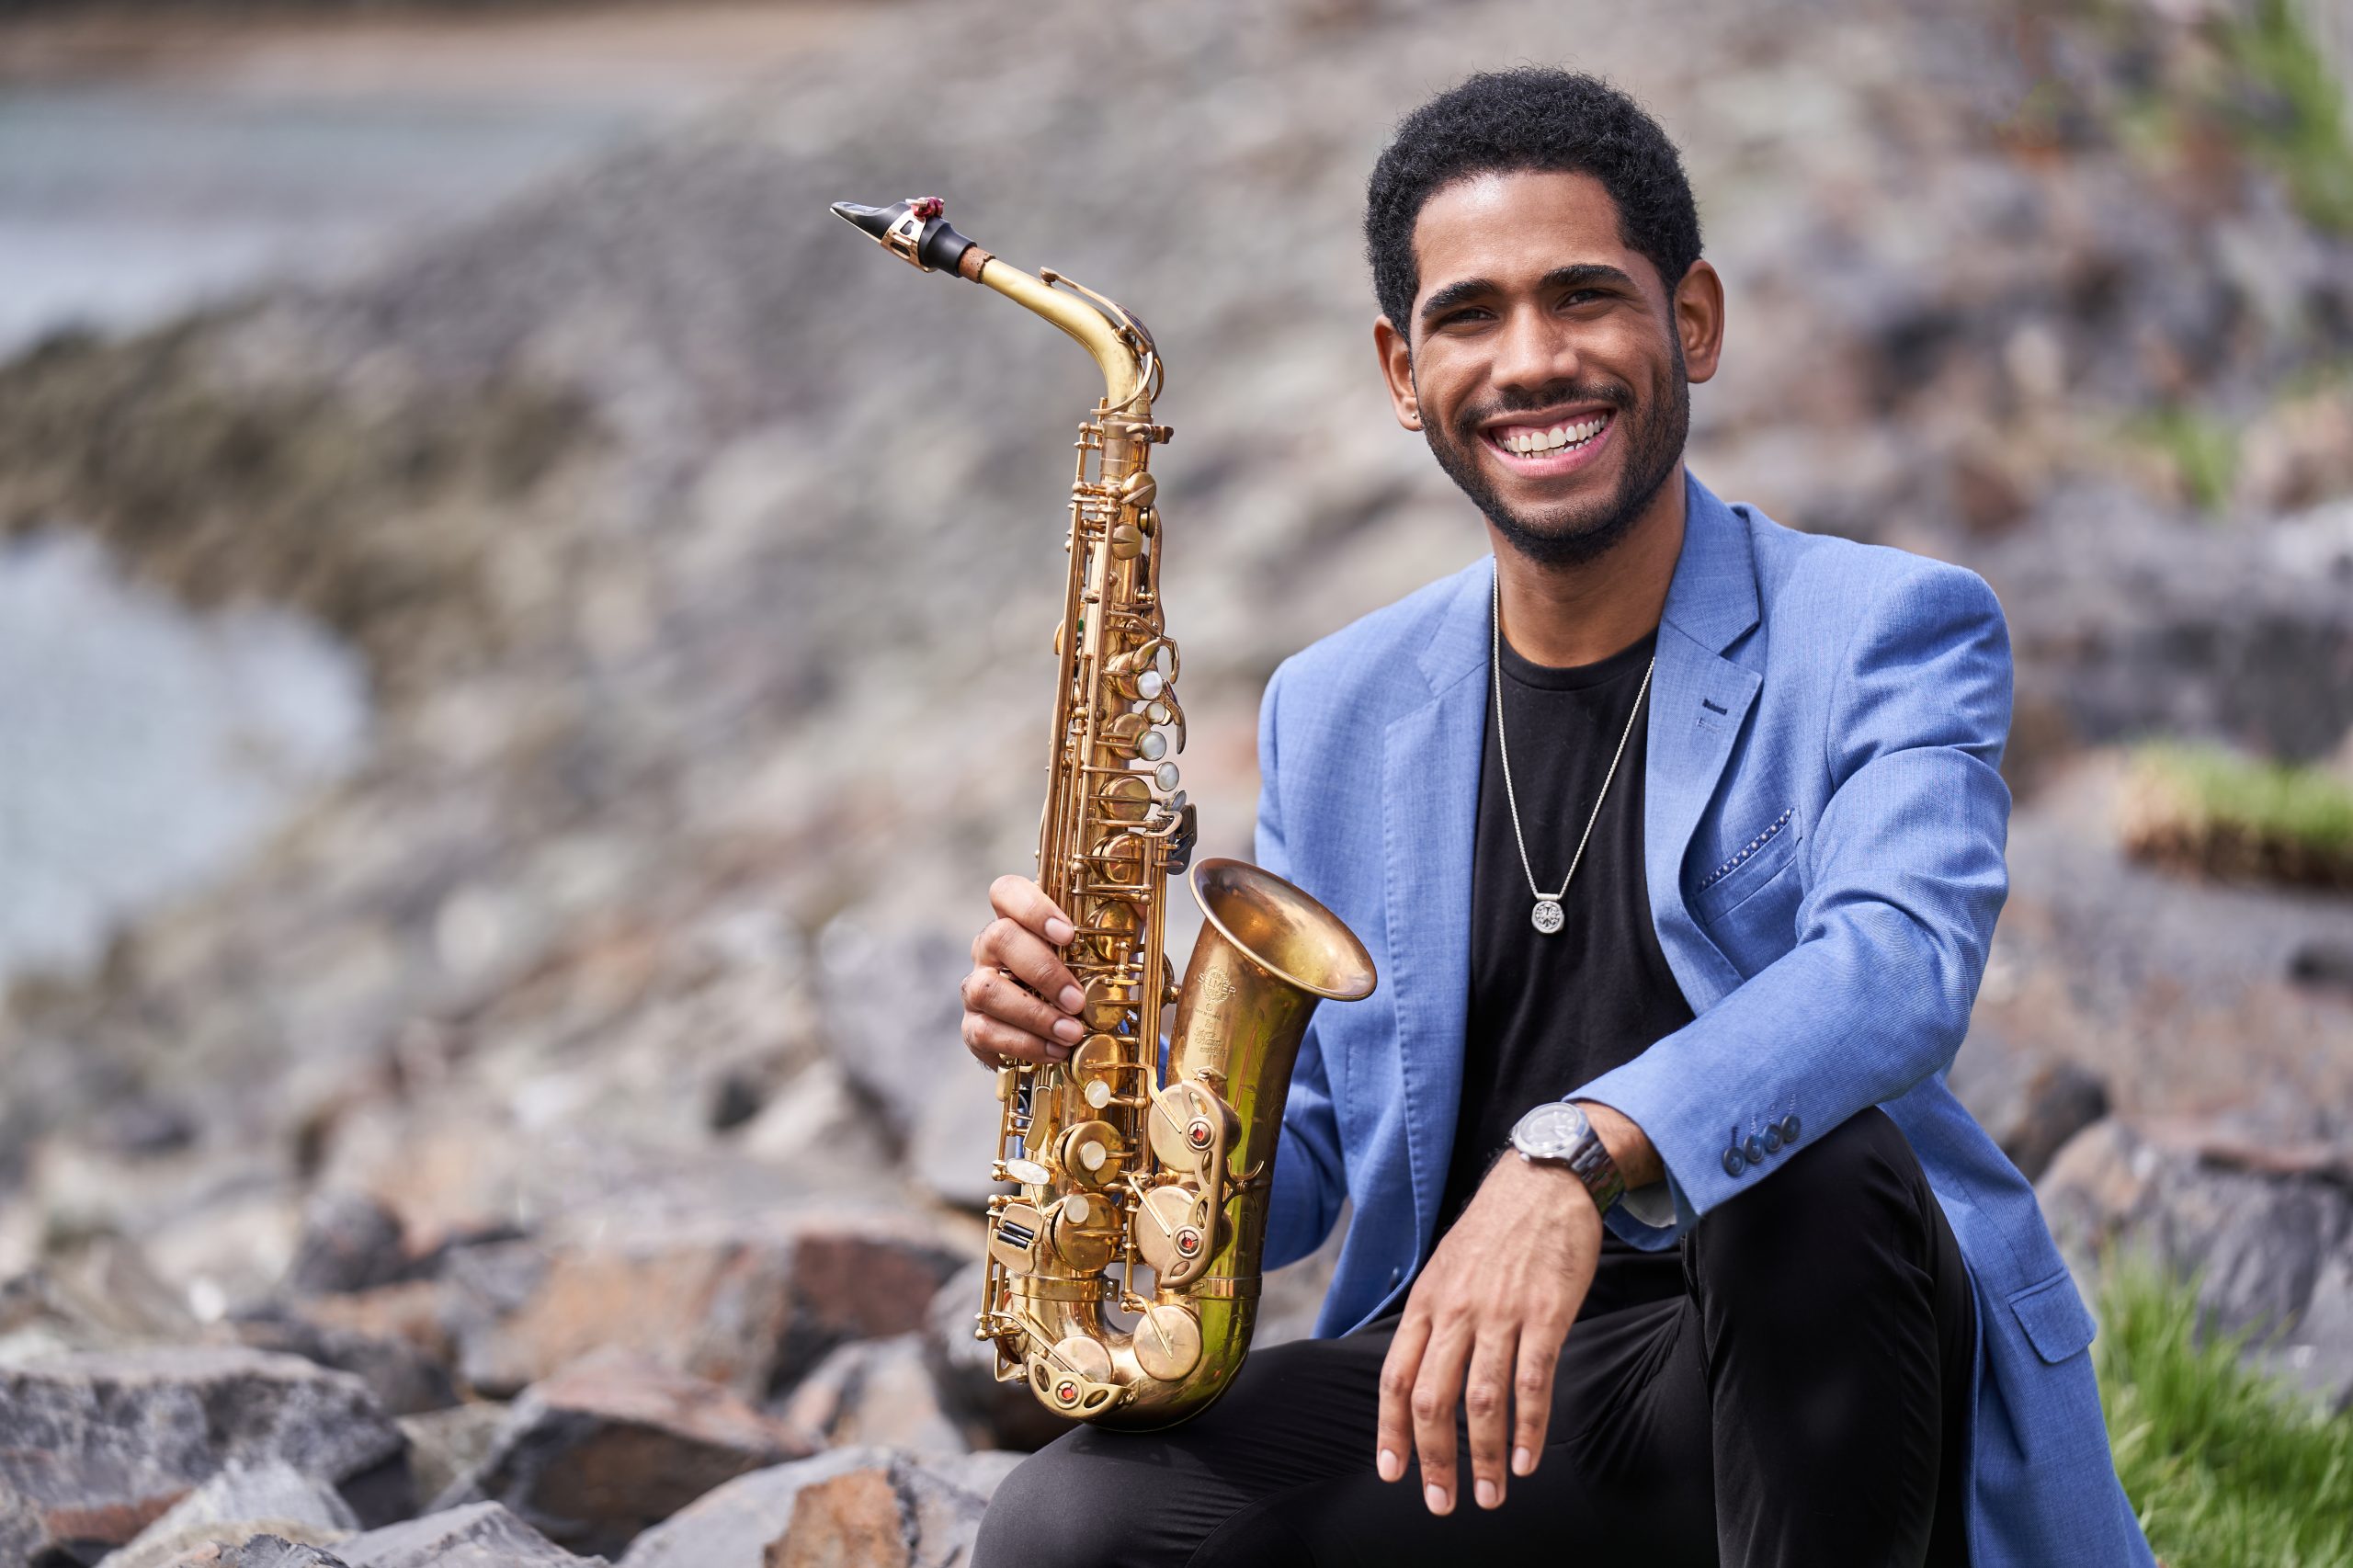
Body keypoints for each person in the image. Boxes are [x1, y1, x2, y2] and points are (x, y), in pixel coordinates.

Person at [958, 68, 2154, 1568]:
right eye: (1470, 315)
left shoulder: (1888, 625)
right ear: (1404, 372)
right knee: (1068, 1524)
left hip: (1810, 1380)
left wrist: (1577, 1152)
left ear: (1692, 322)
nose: (1532, 359)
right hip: (1482, 1394)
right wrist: (1112, 1072)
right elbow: (1309, 1154)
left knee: (1814, 1173)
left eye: (1583, 297)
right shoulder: (1338, 702)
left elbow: (1897, 966)